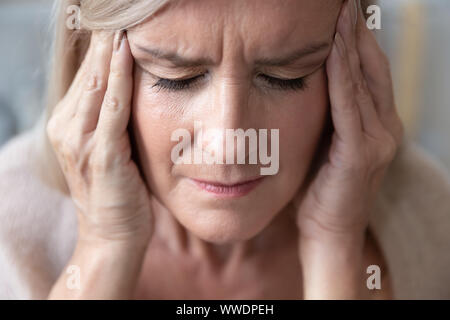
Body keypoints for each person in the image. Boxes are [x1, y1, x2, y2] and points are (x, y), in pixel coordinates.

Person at [1, 0, 450, 299]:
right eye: (175, 78)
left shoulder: (428, 222)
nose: (228, 145)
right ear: (89, 66)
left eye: (285, 76)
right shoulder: (13, 223)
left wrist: (337, 250)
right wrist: (105, 246)